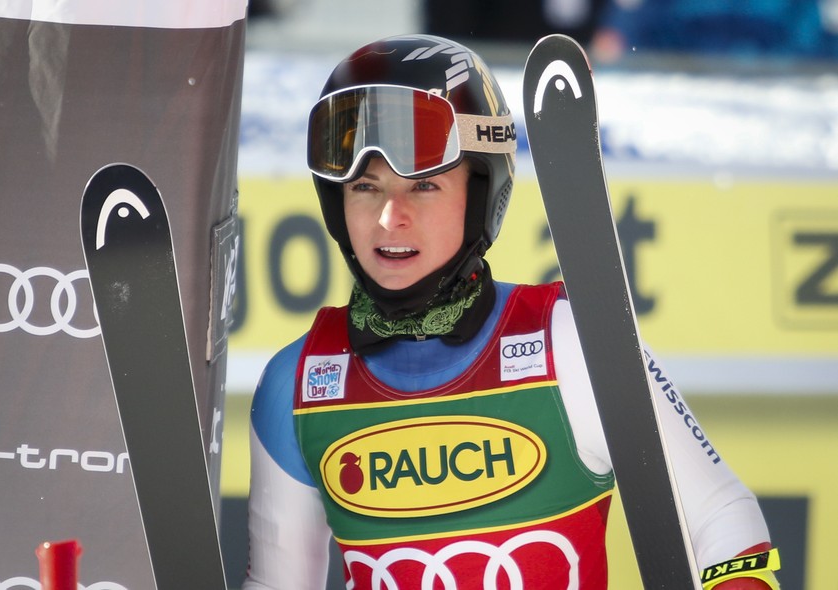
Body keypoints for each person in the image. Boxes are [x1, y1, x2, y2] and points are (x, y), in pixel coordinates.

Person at [244, 34, 780, 589]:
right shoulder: (298, 383)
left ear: (481, 192)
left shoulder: (573, 344)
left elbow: (723, 519)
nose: (388, 218)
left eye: (424, 186)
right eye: (364, 187)